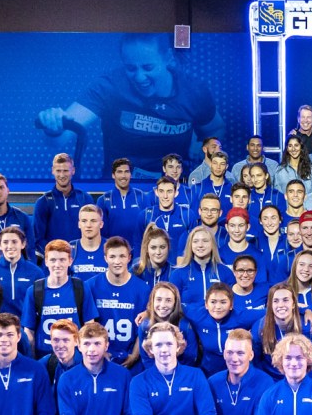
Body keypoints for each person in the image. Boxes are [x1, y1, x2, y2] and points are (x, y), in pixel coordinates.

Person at [36, 33, 223, 178]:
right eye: (131, 68)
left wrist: (204, 145)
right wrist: (54, 127)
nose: (140, 77)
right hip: (118, 187)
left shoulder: (194, 91)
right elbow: (60, 138)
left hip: (171, 189)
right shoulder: (109, 87)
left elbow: (216, 128)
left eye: (148, 68)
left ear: (167, 58)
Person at [22, 240, 98, 359]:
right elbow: (29, 331)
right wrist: (32, 361)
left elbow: (89, 327)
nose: (57, 264)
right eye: (53, 260)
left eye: (62, 260)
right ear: (46, 261)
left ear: (70, 261)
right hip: (44, 356)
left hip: (75, 357)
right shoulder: (34, 290)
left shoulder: (80, 287)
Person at [85, 237, 150, 368]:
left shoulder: (143, 289)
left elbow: (144, 327)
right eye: (112, 256)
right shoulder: (90, 286)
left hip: (132, 359)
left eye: (122, 256)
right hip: (100, 357)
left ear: (129, 258)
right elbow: (89, 325)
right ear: (105, 258)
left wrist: (135, 355)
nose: (117, 261)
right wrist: (100, 351)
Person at [252, 283, 312, 379]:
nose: (281, 305)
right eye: (275, 301)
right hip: (271, 380)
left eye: (285, 300)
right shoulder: (259, 328)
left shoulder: (308, 326)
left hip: (300, 379)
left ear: (293, 304)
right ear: (270, 305)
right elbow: (256, 362)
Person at [129, 282, 200, 370]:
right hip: (154, 374)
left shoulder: (185, 326)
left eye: (168, 300)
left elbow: (190, 359)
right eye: (159, 299)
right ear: (152, 301)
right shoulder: (144, 326)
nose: (163, 305)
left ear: (175, 303)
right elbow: (146, 358)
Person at [0, 225, 43, 317]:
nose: (10, 246)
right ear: (0, 245)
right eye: (5, 242)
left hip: (26, 328)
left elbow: (40, 306)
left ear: (23, 244)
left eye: (14, 242)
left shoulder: (36, 272)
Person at [169, 227, 235, 306]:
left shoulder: (226, 272)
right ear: (190, 245)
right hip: (187, 318)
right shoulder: (178, 274)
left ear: (212, 244)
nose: (200, 245)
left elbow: (232, 303)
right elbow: (172, 306)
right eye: (195, 241)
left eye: (205, 241)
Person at [98, 157, 150, 257]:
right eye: (119, 172)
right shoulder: (103, 200)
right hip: (114, 255)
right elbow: (101, 232)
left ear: (131, 174)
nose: (123, 176)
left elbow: (149, 227)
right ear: (113, 175)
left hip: (139, 255)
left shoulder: (142, 197)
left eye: (126, 172)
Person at [69, 204, 108, 281]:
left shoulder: (111, 247)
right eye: (84, 221)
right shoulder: (69, 248)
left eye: (93, 221)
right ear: (79, 224)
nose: (88, 225)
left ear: (101, 224)